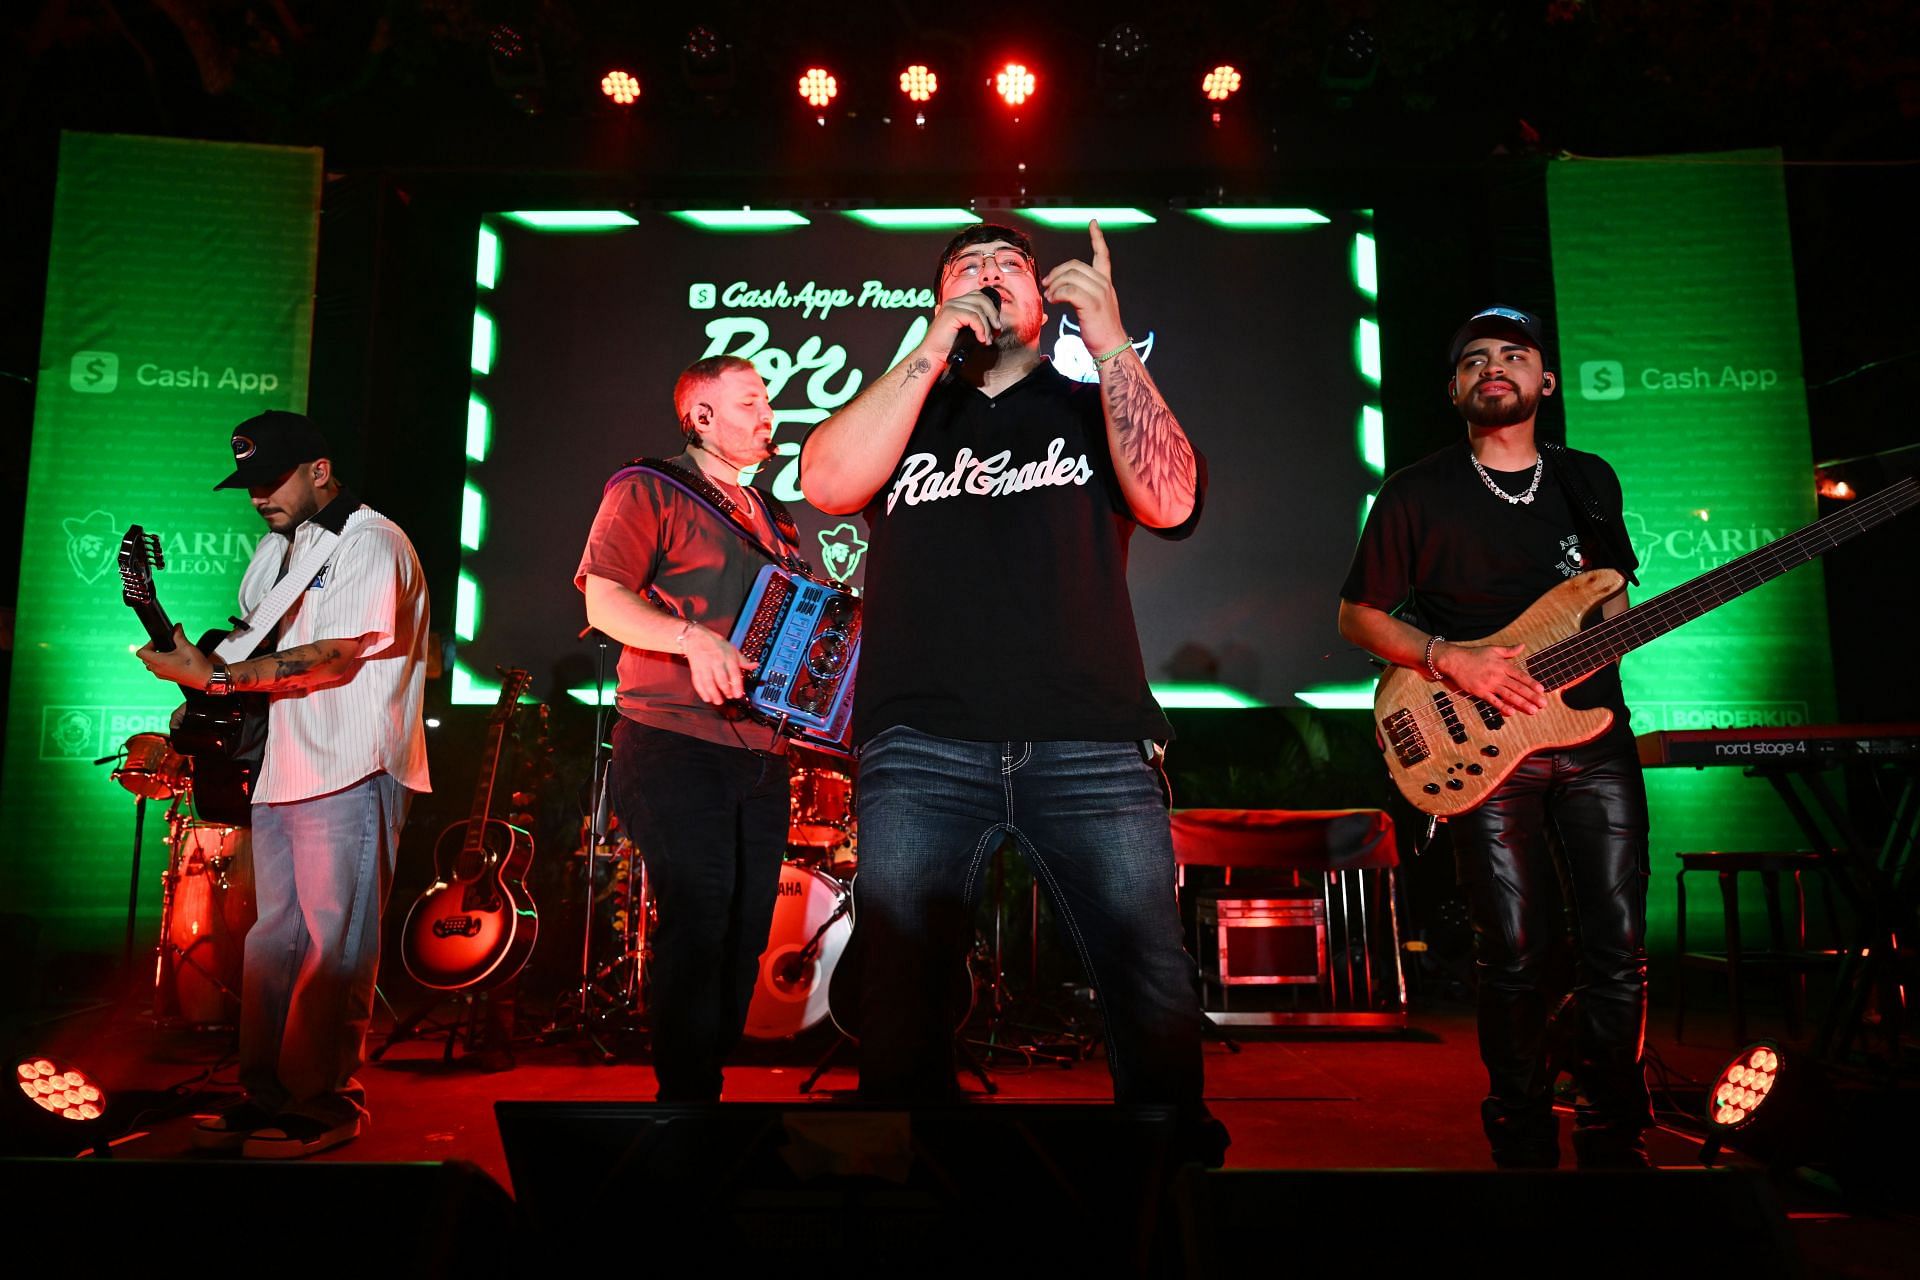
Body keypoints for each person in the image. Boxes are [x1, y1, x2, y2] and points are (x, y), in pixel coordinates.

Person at [801, 221, 1223, 1160]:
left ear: (1045, 302)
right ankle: (908, 1191)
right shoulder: (907, 414)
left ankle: (1175, 1190)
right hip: (921, 740)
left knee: (1148, 975)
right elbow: (826, 482)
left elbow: (1172, 501)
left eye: (1011, 268)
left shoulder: (1087, 400)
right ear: (939, 298)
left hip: (1090, 737)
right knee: (901, 983)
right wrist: (928, 348)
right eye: (967, 268)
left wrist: (1111, 337)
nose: (990, 276)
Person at [1337, 307, 1652, 1168]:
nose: (1495, 368)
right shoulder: (1416, 490)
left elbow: (1610, 597)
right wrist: (1453, 663)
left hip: (1592, 737)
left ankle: (1613, 1128)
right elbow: (1357, 615)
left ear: (1546, 381)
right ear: (1454, 389)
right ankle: (1517, 1129)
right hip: (1476, 744)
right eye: (1474, 359)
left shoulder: (1589, 480)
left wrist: (1619, 626)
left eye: (1514, 355)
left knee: (1617, 944)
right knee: (1511, 948)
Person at [137, 409, 430, 1158]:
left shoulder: (373, 541)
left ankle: (328, 1102)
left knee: (335, 945)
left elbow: (333, 657)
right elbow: (242, 641)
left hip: (353, 762)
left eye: (271, 479)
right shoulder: (275, 550)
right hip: (283, 768)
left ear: (320, 471)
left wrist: (224, 675)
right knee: (274, 942)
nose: (257, 494)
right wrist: (175, 640)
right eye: (248, 482)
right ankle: (264, 1093)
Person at [576, 355, 800, 1102]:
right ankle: (684, 1103)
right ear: (701, 417)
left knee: (746, 930)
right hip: (671, 740)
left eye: (766, 402)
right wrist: (691, 640)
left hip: (764, 752)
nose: (767, 415)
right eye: (749, 402)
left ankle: (703, 1090)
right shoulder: (646, 486)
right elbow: (604, 604)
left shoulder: (776, 514)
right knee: (700, 910)